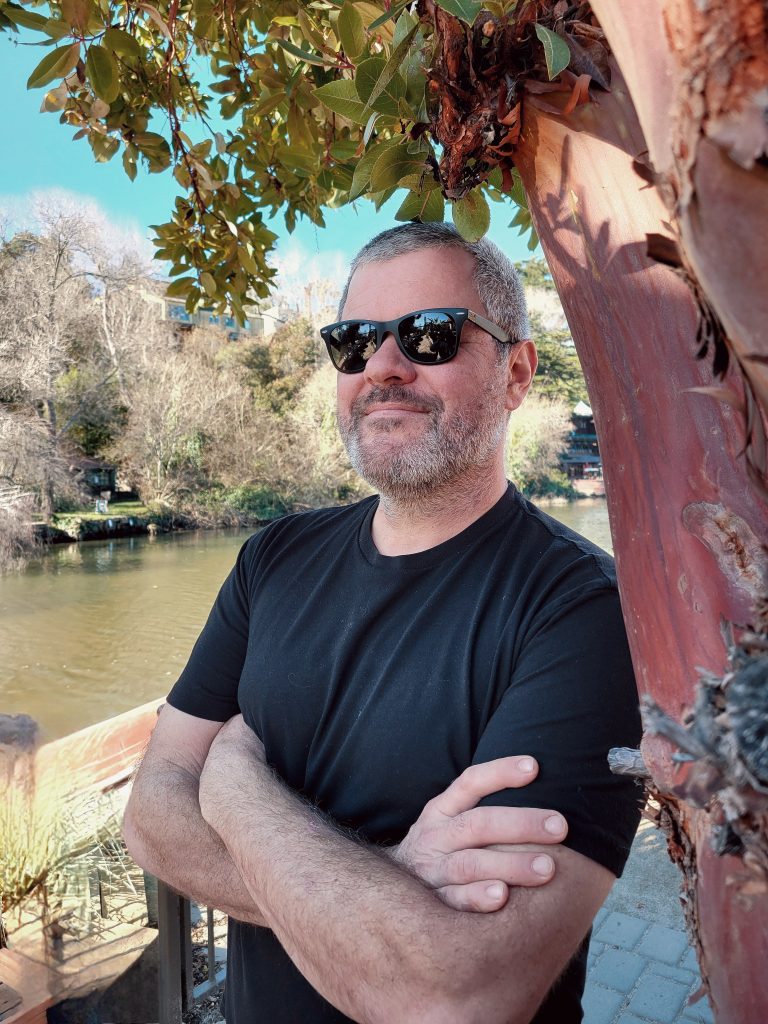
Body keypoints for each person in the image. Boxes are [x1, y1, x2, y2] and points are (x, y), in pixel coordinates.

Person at [123, 223, 642, 1024]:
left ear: (516, 373)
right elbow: (152, 818)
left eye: (430, 336)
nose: (384, 368)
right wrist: (383, 891)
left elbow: (453, 993)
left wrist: (230, 783)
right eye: (355, 341)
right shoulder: (273, 558)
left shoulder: (585, 613)